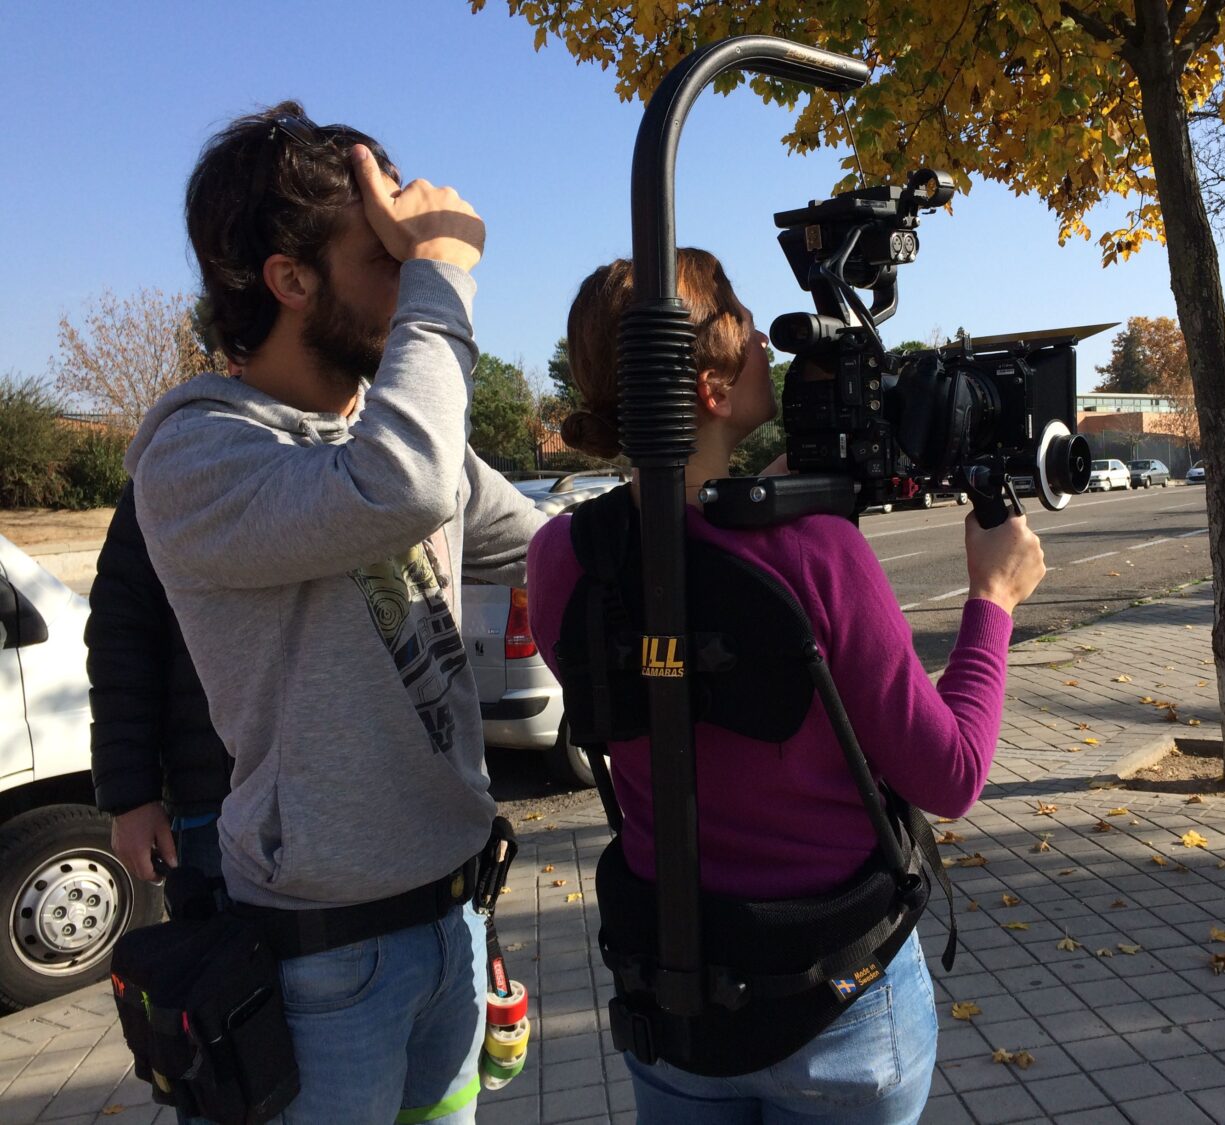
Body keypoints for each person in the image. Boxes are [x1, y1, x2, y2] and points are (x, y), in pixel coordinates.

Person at [525, 249, 1047, 1122]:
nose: (765, 338)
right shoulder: (816, 554)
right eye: (738, 315)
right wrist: (993, 598)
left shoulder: (562, 558)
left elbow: (676, 635)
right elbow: (952, 775)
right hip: (837, 1006)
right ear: (709, 389)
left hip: (679, 1006)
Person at [125, 102, 544, 1124]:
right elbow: (400, 488)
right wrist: (445, 271)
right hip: (324, 962)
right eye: (386, 256)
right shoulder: (197, 456)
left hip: (455, 918)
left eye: (412, 256)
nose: (409, 280)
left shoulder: (385, 435)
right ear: (291, 279)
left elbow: (544, 544)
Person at [89, 479, 231, 897]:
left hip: (360, 792)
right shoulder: (172, 464)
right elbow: (120, 637)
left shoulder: (353, 454)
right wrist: (131, 798)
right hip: (213, 803)